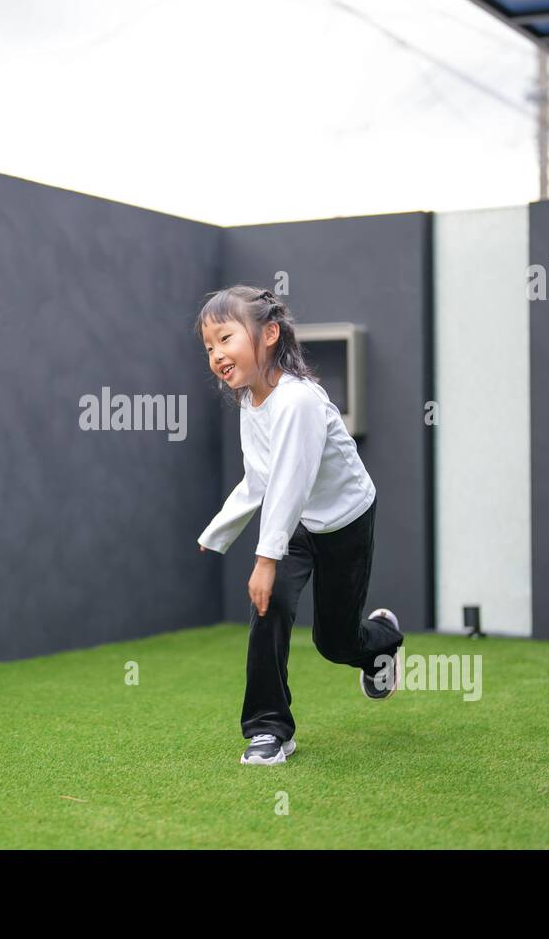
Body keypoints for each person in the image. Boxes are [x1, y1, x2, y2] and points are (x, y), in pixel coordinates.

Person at [194, 285, 404, 765]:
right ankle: (269, 729)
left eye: (225, 338)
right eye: (209, 347)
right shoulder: (252, 401)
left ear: (269, 333)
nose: (217, 354)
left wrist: (264, 560)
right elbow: (261, 477)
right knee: (268, 611)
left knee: (334, 642)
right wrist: (219, 531)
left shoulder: (299, 401)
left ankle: (382, 642)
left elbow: (290, 480)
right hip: (295, 522)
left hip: (345, 520)